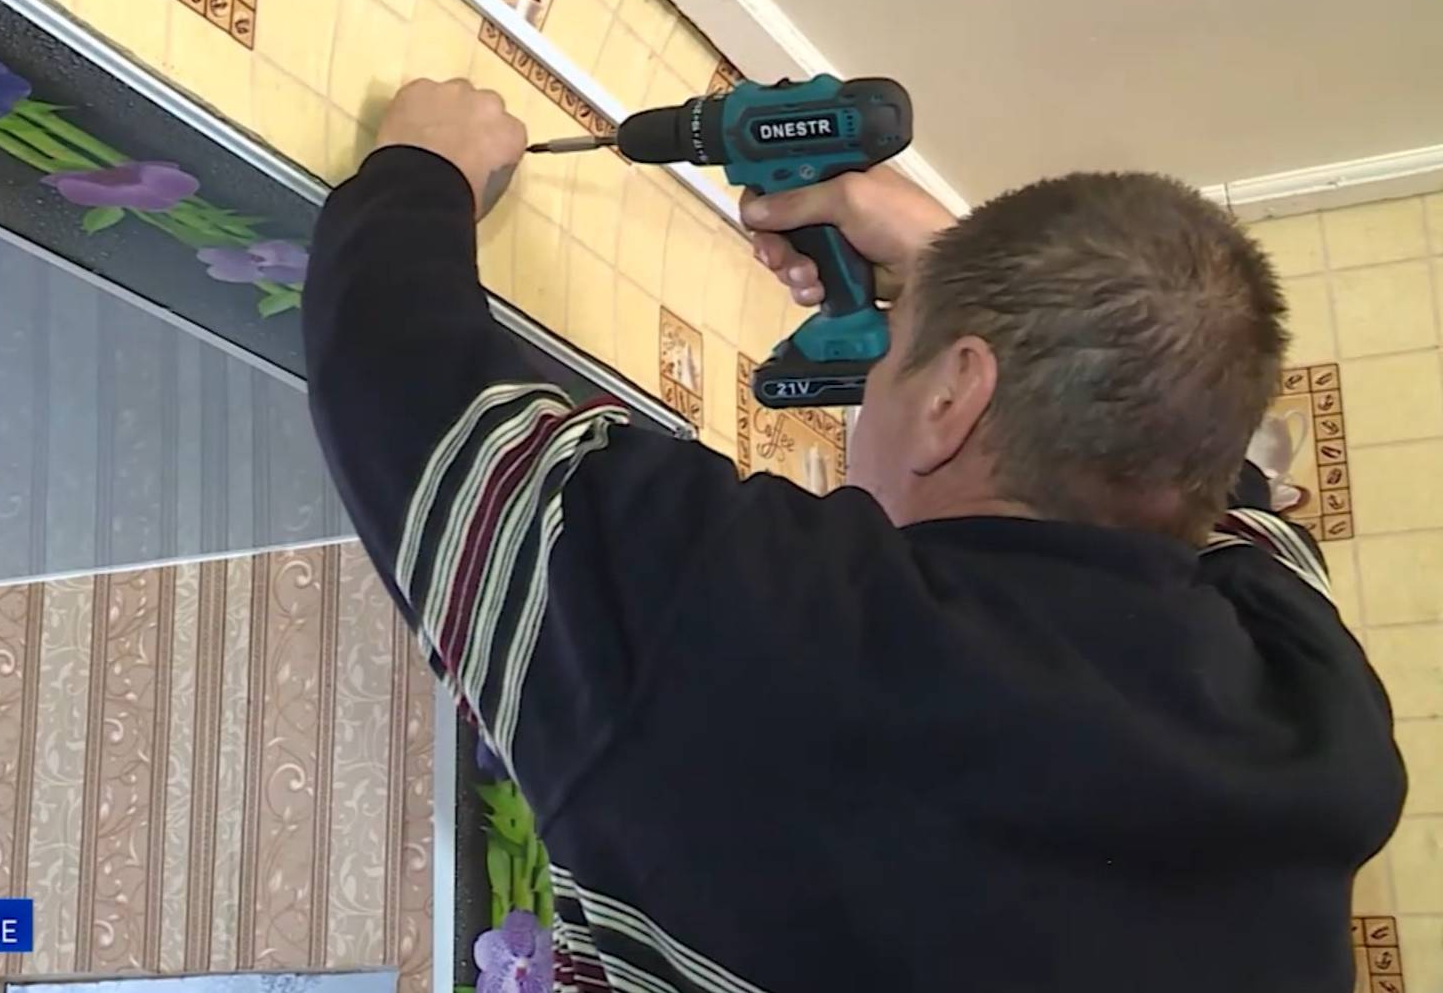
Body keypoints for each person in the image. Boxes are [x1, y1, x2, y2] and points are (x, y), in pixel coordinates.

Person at [301, 78, 1407, 992]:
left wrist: (423, 164)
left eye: (895, 355)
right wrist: (964, 283)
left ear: (953, 399)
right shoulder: (1314, 700)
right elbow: (1225, 477)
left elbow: (403, 383)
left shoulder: (756, 629)